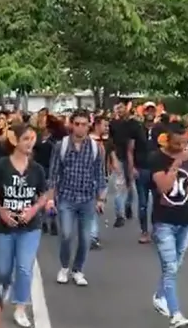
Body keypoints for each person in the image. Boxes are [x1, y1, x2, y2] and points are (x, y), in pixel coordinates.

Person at [0, 123, 49, 328]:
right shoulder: (2, 165)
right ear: (15, 141)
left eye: (32, 139)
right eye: (25, 139)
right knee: (3, 269)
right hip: (4, 226)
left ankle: (20, 306)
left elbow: (44, 194)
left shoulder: (36, 169)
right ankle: (5, 285)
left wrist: (33, 210)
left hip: (29, 227)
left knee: (24, 267)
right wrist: (1, 210)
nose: (30, 143)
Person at [148, 123, 188, 328]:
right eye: (177, 143)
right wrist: (177, 162)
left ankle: (160, 296)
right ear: (167, 139)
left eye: (185, 143)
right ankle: (176, 314)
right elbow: (164, 186)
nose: (181, 147)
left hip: (184, 220)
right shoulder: (156, 158)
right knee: (170, 267)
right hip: (163, 220)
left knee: (176, 265)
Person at [48, 110, 107, 286]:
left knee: (85, 238)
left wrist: (101, 199)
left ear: (89, 126)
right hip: (66, 197)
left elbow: (100, 174)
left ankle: (78, 270)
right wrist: (51, 198)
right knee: (66, 234)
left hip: (87, 198)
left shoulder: (95, 148)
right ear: (71, 125)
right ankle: (64, 267)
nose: (80, 128)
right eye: (77, 124)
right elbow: (53, 174)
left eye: (84, 124)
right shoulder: (61, 146)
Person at [131, 103, 165, 244]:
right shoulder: (137, 129)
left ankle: (156, 230)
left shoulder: (161, 129)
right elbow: (130, 149)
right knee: (143, 203)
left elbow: (165, 148)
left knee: (158, 202)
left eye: (152, 110)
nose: (150, 113)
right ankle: (144, 231)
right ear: (143, 112)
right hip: (141, 169)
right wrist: (132, 167)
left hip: (157, 170)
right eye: (147, 110)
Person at [89, 115, 116, 249]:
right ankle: (92, 236)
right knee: (92, 205)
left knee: (99, 206)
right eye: (104, 125)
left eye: (108, 126)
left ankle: (91, 233)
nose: (107, 128)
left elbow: (112, 157)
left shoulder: (108, 142)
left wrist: (115, 170)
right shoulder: (87, 141)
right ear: (96, 125)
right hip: (88, 177)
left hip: (103, 176)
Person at [109, 102, 136, 226]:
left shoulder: (133, 124)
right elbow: (110, 142)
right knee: (120, 186)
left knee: (130, 185)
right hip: (119, 157)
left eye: (121, 108)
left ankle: (128, 205)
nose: (119, 110)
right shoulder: (113, 124)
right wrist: (112, 158)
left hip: (132, 158)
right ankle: (120, 215)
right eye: (117, 108)